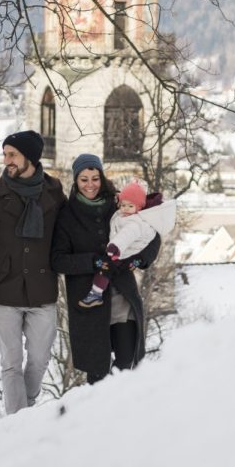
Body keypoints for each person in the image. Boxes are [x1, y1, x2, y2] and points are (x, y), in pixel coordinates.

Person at [0, 130, 65, 415]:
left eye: (12, 154)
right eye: (5, 153)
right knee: (10, 362)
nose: (6, 160)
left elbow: (70, 232)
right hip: (5, 292)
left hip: (43, 290)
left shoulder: (55, 192)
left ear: (29, 158)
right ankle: (19, 421)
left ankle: (26, 409)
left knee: (39, 359)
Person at [51, 153, 161, 384]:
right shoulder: (67, 216)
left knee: (126, 369)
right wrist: (93, 261)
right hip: (90, 303)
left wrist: (138, 260)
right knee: (98, 376)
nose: (90, 185)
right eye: (84, 179)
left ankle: (124, 416)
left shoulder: (118, 204)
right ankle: (97, 419)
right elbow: (58, 260)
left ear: (101, 177)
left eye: (95, 178)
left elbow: (151, 234)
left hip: (122, 298)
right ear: (76, 181)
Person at [79, 181, 176, 308]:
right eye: (123, 205)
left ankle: (96, 294)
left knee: (105, 268)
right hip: (122, 251)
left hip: (125, 252)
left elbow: (126, 235)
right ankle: (96, 292)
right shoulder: (122, 214)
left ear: (139, 207)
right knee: (105, 267)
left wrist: (116, 247)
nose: (125, 208)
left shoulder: (135, 222)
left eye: (130, 206)